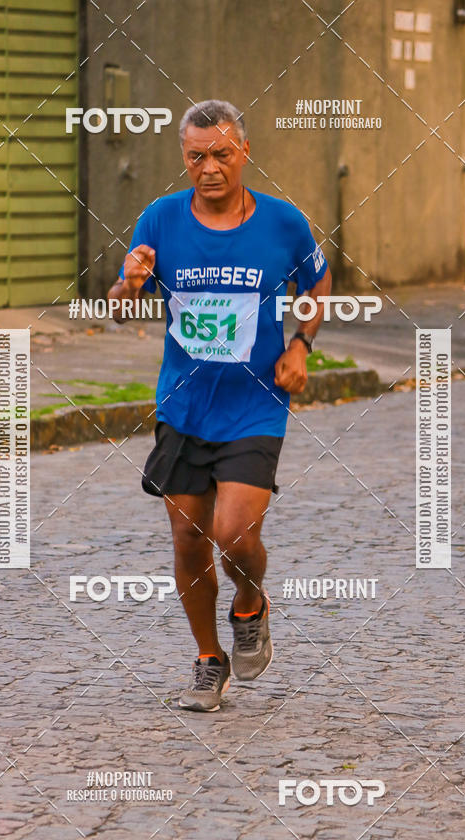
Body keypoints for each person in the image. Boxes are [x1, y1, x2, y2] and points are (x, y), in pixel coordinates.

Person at [108, 99, 331, 712]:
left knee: (234, 535)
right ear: (184, 157)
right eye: (196, 156)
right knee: (187, 537)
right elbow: (121, 305)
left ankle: (251, 601)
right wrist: (128, 283)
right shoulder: (159, 220)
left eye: (221, 154)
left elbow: (316, 284)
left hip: (256, 404)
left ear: (244, 153)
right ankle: (210, 660)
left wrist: (301, 345)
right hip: (183, 407)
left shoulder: (283, 223)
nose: (209, 167)